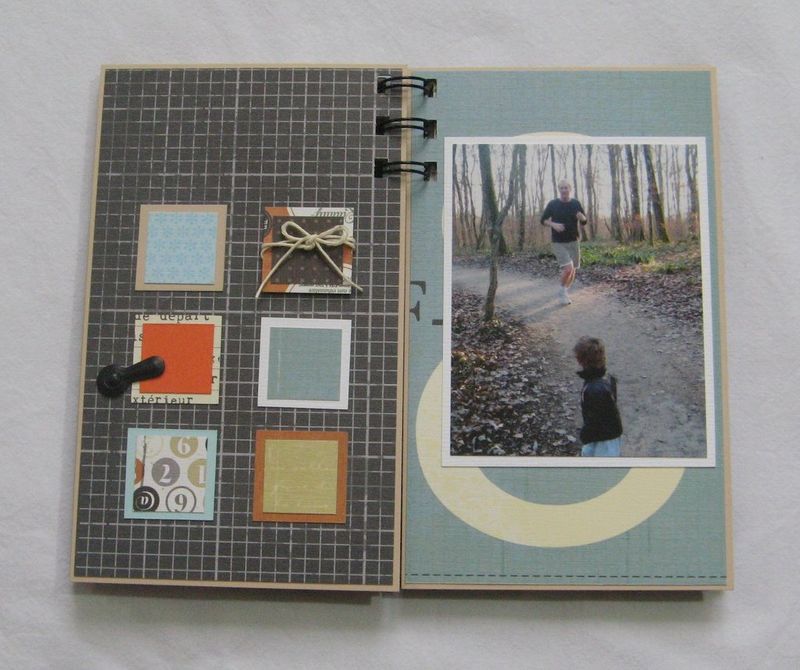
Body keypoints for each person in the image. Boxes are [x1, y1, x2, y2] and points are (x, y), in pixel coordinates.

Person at [573, 336, 623, 457]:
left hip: (605, 439)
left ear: (581, 360)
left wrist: (585, 434)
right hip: (606, 436)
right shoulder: (607, 379)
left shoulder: (594, 389)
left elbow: (596, 420)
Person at [540, 179, 587, 305]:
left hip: (573, 240)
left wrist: (582, 218)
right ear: (559, 190)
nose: (564, 190)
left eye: (566, 188)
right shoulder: (553, 204)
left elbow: (584, 221)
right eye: (561, 188)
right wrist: (553, 224)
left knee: (573, 269)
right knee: (568, 269)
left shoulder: (576, 203)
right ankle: (561, 291)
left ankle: (565, 291)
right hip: (558, 242)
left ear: (570, 189)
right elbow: (543, 220)